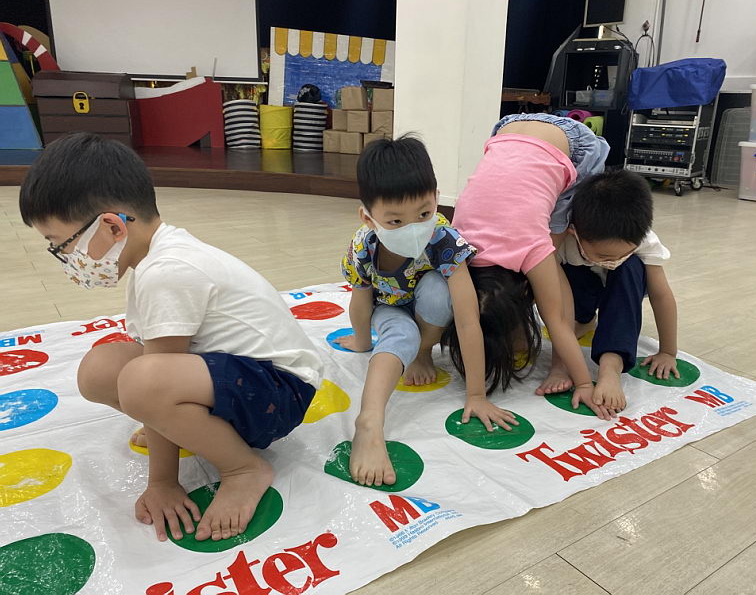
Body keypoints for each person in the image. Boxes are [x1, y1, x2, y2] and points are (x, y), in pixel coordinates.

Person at [18, 133, 323, 543]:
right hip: (240, 380)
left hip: (280, 394)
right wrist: (162, 417)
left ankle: (243, 468)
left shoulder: (168, 271)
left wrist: (162, 481)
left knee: (141, 382)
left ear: (111, 226)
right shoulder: (153, 257)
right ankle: (194, 427)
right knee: (100, 369)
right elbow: (154, 366)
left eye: (62, 244)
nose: (67, 260)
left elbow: (152, 377)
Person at [337, 136, 517, 488]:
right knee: (400, 334)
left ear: (436, 197)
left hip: (429, 311)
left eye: (423, 213)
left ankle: (421, 355)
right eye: (395, 221)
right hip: (389, 309)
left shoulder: (444, 239)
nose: (414, 227)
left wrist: (476, 395)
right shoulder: (363, 245)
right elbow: (361, 300)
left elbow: (466, 317)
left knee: (437, 290)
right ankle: (369, 422)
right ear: (368, 218)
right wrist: (361, 341)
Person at [449, 113, 614, 419]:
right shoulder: (456, 247)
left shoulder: (532, 249)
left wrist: (583, 383)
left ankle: (560, 365)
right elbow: (467, 321)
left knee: (556, 236)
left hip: (576, 146)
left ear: (527, 292)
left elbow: (557, 321)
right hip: (507, 130)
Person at [558, 169, 678, 411]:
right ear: (575, 232)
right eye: (604, 256)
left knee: (630, 267)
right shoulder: (561, 239)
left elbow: (661, 295)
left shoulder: (642, 240)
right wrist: (559, 366)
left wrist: (668, 351)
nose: (612, 261)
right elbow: (549, 296)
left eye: (623, 252)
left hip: (620, 292)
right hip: (579, 290)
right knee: (557, 273)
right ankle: (585, 320)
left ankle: (610, 367)